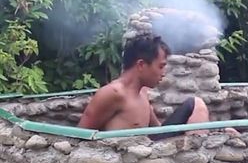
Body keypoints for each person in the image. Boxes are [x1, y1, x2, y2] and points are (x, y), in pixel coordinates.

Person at [78, 35, 213, 139]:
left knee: (196, 104)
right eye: (160, 66)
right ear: (141, 65)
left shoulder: (142, 93)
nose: (163, 73)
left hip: (148, 156)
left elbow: (158, 132)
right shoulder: (113, 93)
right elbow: (80, 136)